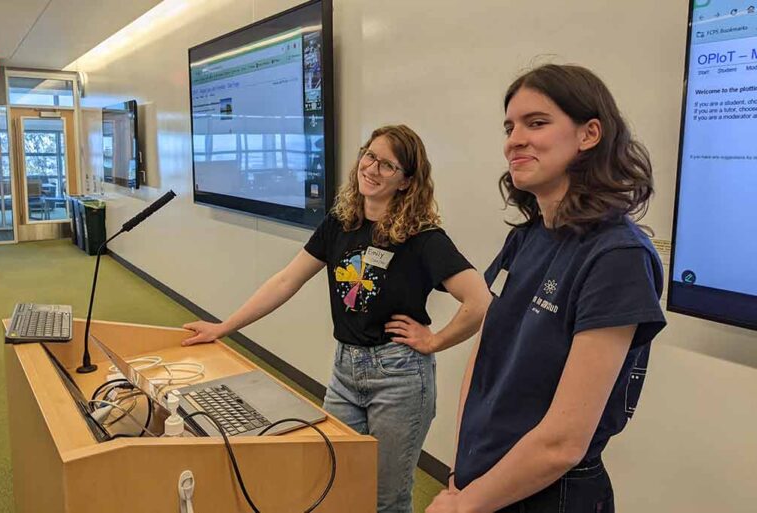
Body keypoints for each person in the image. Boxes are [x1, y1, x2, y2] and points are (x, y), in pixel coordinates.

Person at [183, 124, 492, 513]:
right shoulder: (340, 223)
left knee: (386, 500)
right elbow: (285, 281)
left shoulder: (421, 237)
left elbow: (479, 301)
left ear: (406, 181)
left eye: (388, 166)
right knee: (332, 480)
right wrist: (223, 327)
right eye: (370, 156)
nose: (373, 169)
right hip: (345, 372)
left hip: (399, 378)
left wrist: (434, 341)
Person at [427, 64, 667, 513]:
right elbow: (486, 355)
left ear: (589, 134)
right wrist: (464, 469)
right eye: (509, 127)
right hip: (485, 478)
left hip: (550, 494)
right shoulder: (526, 238)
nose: (514, 139)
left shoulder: (616, 256)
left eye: (536, 123)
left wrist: (463, 505)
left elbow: (562, 442)